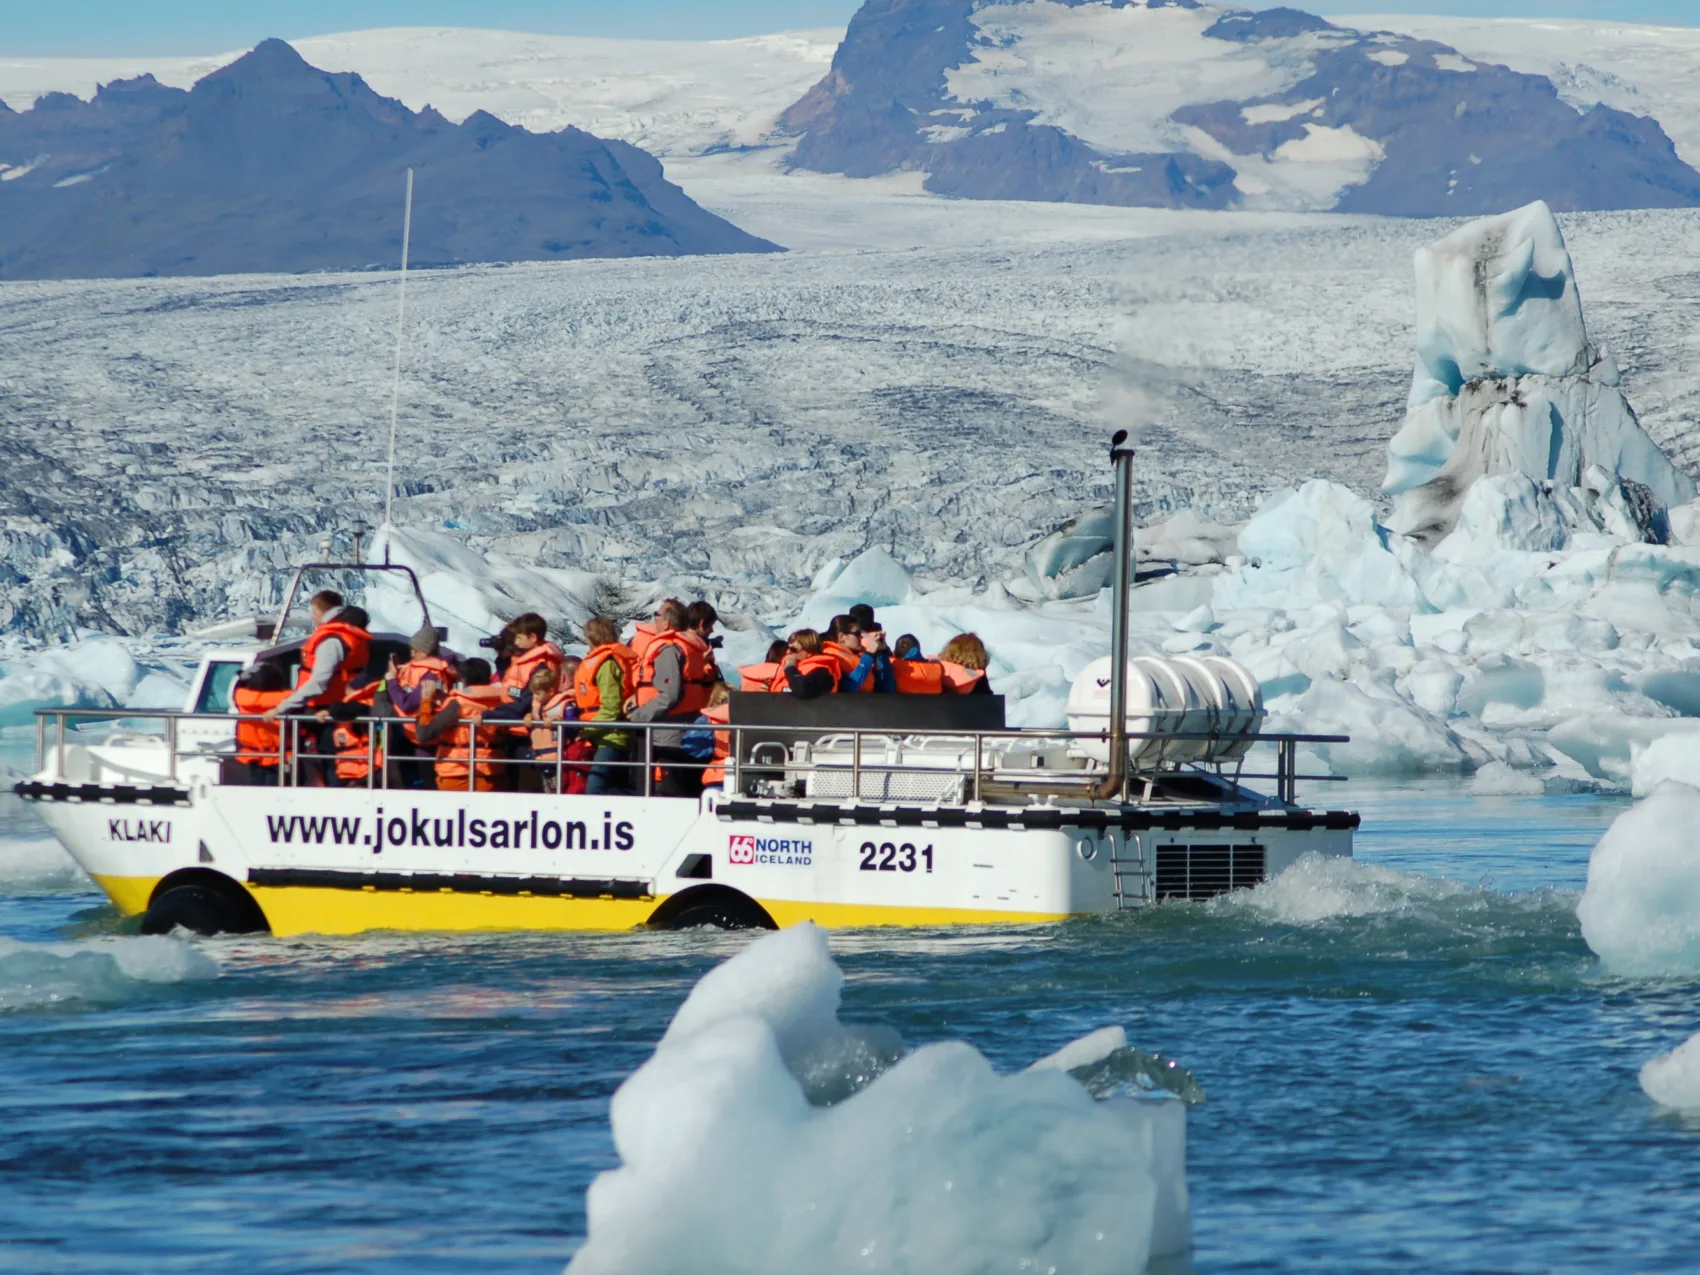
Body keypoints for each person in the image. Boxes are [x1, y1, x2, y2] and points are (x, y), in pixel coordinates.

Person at [631, 599, 714, 796]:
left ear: (667, 623)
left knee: (671, 792)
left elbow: (670, 694)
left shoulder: (669, 649)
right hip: (686, 729)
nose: (655, 620)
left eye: (656, 615)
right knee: (685, 789)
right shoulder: (691, 646)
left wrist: (638, 716)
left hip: (668, 735)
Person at [414, 658, 509, 791]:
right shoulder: (501, 702)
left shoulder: (457, 703)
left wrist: (425, 700)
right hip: (492, 773)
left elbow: (423, 734)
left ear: (463, 680)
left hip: (456, 773)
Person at [575, 616, 637, 795]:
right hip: (600, 734)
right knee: (616, 786)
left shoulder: (606, 665)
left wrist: (585, 730)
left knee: (596, 787)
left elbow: (611, 706)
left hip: (611, 735)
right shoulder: (598, 661)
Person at [229, 662, 292, 784]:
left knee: (257, 790)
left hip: (254, 756)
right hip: (279, 757)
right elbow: (303, 695)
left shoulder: (241, 698)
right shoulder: (288, 701)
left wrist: (241, 680)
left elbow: (234, 690)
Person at [500, 613, 566, 700]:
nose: (516, 642)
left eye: (519, 638)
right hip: (511, 706)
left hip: (521, 710)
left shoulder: (540, 663)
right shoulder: (522, 657)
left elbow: (530, 697)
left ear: (532, 637)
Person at [680, 682, 732, 792]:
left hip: (718, 775)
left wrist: (710, 748)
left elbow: (689, 746)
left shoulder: (707, 719)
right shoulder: (748, 716)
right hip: (746, 773)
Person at [781, 629, 839, 699]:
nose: (788, 652)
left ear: (810, 651)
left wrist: (790, 668)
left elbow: (802, 690)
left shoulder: (823, 674)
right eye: (788, 648)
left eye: (793, 649)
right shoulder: (787, 667)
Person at [681, 600, 725, 692]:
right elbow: (686, 676)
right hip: (695, 703)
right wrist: (702, 660)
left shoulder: (683, 643)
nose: (712, 630)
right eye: (710, 626)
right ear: (701, 624)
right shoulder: (686, 648)